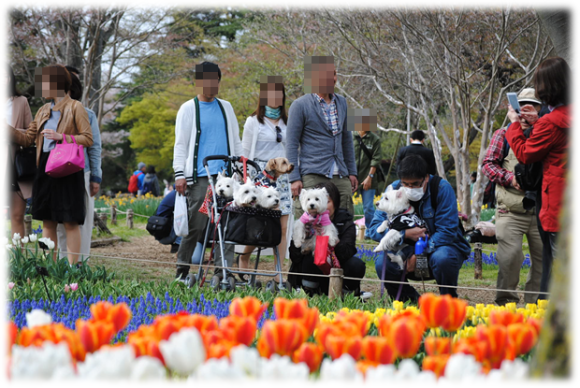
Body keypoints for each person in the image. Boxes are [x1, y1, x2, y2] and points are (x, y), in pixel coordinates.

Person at [10, 64, 93, 265]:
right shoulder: (43, 110)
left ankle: (74, 269)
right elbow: (28, 138)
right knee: (48, 221)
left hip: (67, 167)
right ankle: (50, 268)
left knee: (70, 221)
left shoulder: (75, 107)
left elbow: (88, 138)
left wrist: (62, 137)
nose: (40, 87)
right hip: (44, 167)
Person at [506, 56, 570, 299]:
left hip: (557, 204)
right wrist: (539, 121)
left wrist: (514, 125)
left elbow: (525, 153)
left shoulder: (550, 124)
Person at [173, 61, 243, 281]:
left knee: (226, 226)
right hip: (200, 177)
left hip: (226, 177)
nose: (211, 85)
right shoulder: (188, 108)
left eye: (215, 80)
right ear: (198, 82)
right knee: (196, 225)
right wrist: (179, 173)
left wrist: (240, 168)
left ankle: (224, 272)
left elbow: (236, 140)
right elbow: (181, 143)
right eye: (206, 80)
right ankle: (182, 270)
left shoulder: (226, 107)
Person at [368, 154, 471, 302]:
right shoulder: (394, 190)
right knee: (382, 263)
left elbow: (447, 231)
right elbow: (374, 229)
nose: (409, 189)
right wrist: (404, 234)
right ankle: (410, 301)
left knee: (443, 258)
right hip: (404, 249)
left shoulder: (441, 189)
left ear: (426, 178)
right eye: (406, 184)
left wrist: (419, 253)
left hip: (438, 247)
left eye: (415, 184)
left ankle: (448, 301)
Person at [482, 88, 544, 305]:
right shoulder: (503, 133)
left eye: (532, 107)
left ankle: (534, 307)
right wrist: (511, 178)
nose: (525, 112)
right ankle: (505, 304)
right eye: (521, 106)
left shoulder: (546, 133)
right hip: (509, 210)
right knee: (510, 259)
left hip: (541, 212)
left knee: (543, 263)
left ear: (540, 109)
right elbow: (488, 164)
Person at [286, 55, 358, 218]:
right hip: (312, 174)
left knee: (344, 220)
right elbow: (291, 144)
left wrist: (352, 172)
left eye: (332, 74)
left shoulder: (343, 102)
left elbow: (347, 140)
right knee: (310, 225)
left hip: (340, 174)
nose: (329, 79)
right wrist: (294, 178)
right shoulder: (299, 105)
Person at [240, 75, 292, 270]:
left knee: (283, 227)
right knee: (260, 225)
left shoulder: (288, 122)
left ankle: (279, 271)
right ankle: (244, 257)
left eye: (279, 93)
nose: (275, 97)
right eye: (271, 93)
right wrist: (245, 182)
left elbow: (293, 150)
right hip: (260, 178)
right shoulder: (253, 122)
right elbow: (245, 155)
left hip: (283, 179)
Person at [56, 66, 102, 264]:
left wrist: (95, 177)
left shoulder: (88, 113)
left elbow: (95, 147)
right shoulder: (49, 113)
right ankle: (61, 263)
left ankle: (80, 264)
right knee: (59, 222)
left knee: (82, 221)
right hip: (55, 173)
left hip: (82, 172)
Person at [288, 181, 366, 296]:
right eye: (309, 200)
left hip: (337, 266)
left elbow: (348, 252)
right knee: (310, 256)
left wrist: (330, 243)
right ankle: (309, 291)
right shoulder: (306, 221)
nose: (314, 204)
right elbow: (294, 255)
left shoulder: (345, 222)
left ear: (335, 203)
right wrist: (305, 238)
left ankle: (346, 294)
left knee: (356, 264)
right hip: (310, 270)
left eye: (327, 201)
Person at [7, 67, 33, 240]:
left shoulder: (21, 101)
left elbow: (31, 135)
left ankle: (17, 261)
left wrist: (10, 131)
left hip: (14, 163)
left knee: (16, 215)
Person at [352, 109, 382, 239]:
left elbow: (376, 159)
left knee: (368, 207)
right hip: (350, 177)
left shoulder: (374, 139)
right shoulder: (349, 136)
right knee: (345, 206)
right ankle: (345, 231)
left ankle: (370, 233)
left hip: (368, 178)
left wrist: (369, 177)